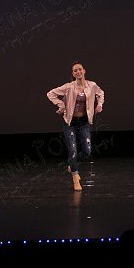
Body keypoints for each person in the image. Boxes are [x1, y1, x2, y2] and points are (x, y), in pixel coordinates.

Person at [46, 62, 105, 191]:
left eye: (79, 69)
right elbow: (50, 94)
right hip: (70, 123)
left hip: (83, 123)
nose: (78, 72)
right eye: (75, 70)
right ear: (73, 74)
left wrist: (100, 105)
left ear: (84, 71)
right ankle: (75, 176)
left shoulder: (92, 85)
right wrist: (61, 105)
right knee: (73, 151)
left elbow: (101, 93)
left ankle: (72, 165)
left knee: (87, 151)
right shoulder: (69, 87)